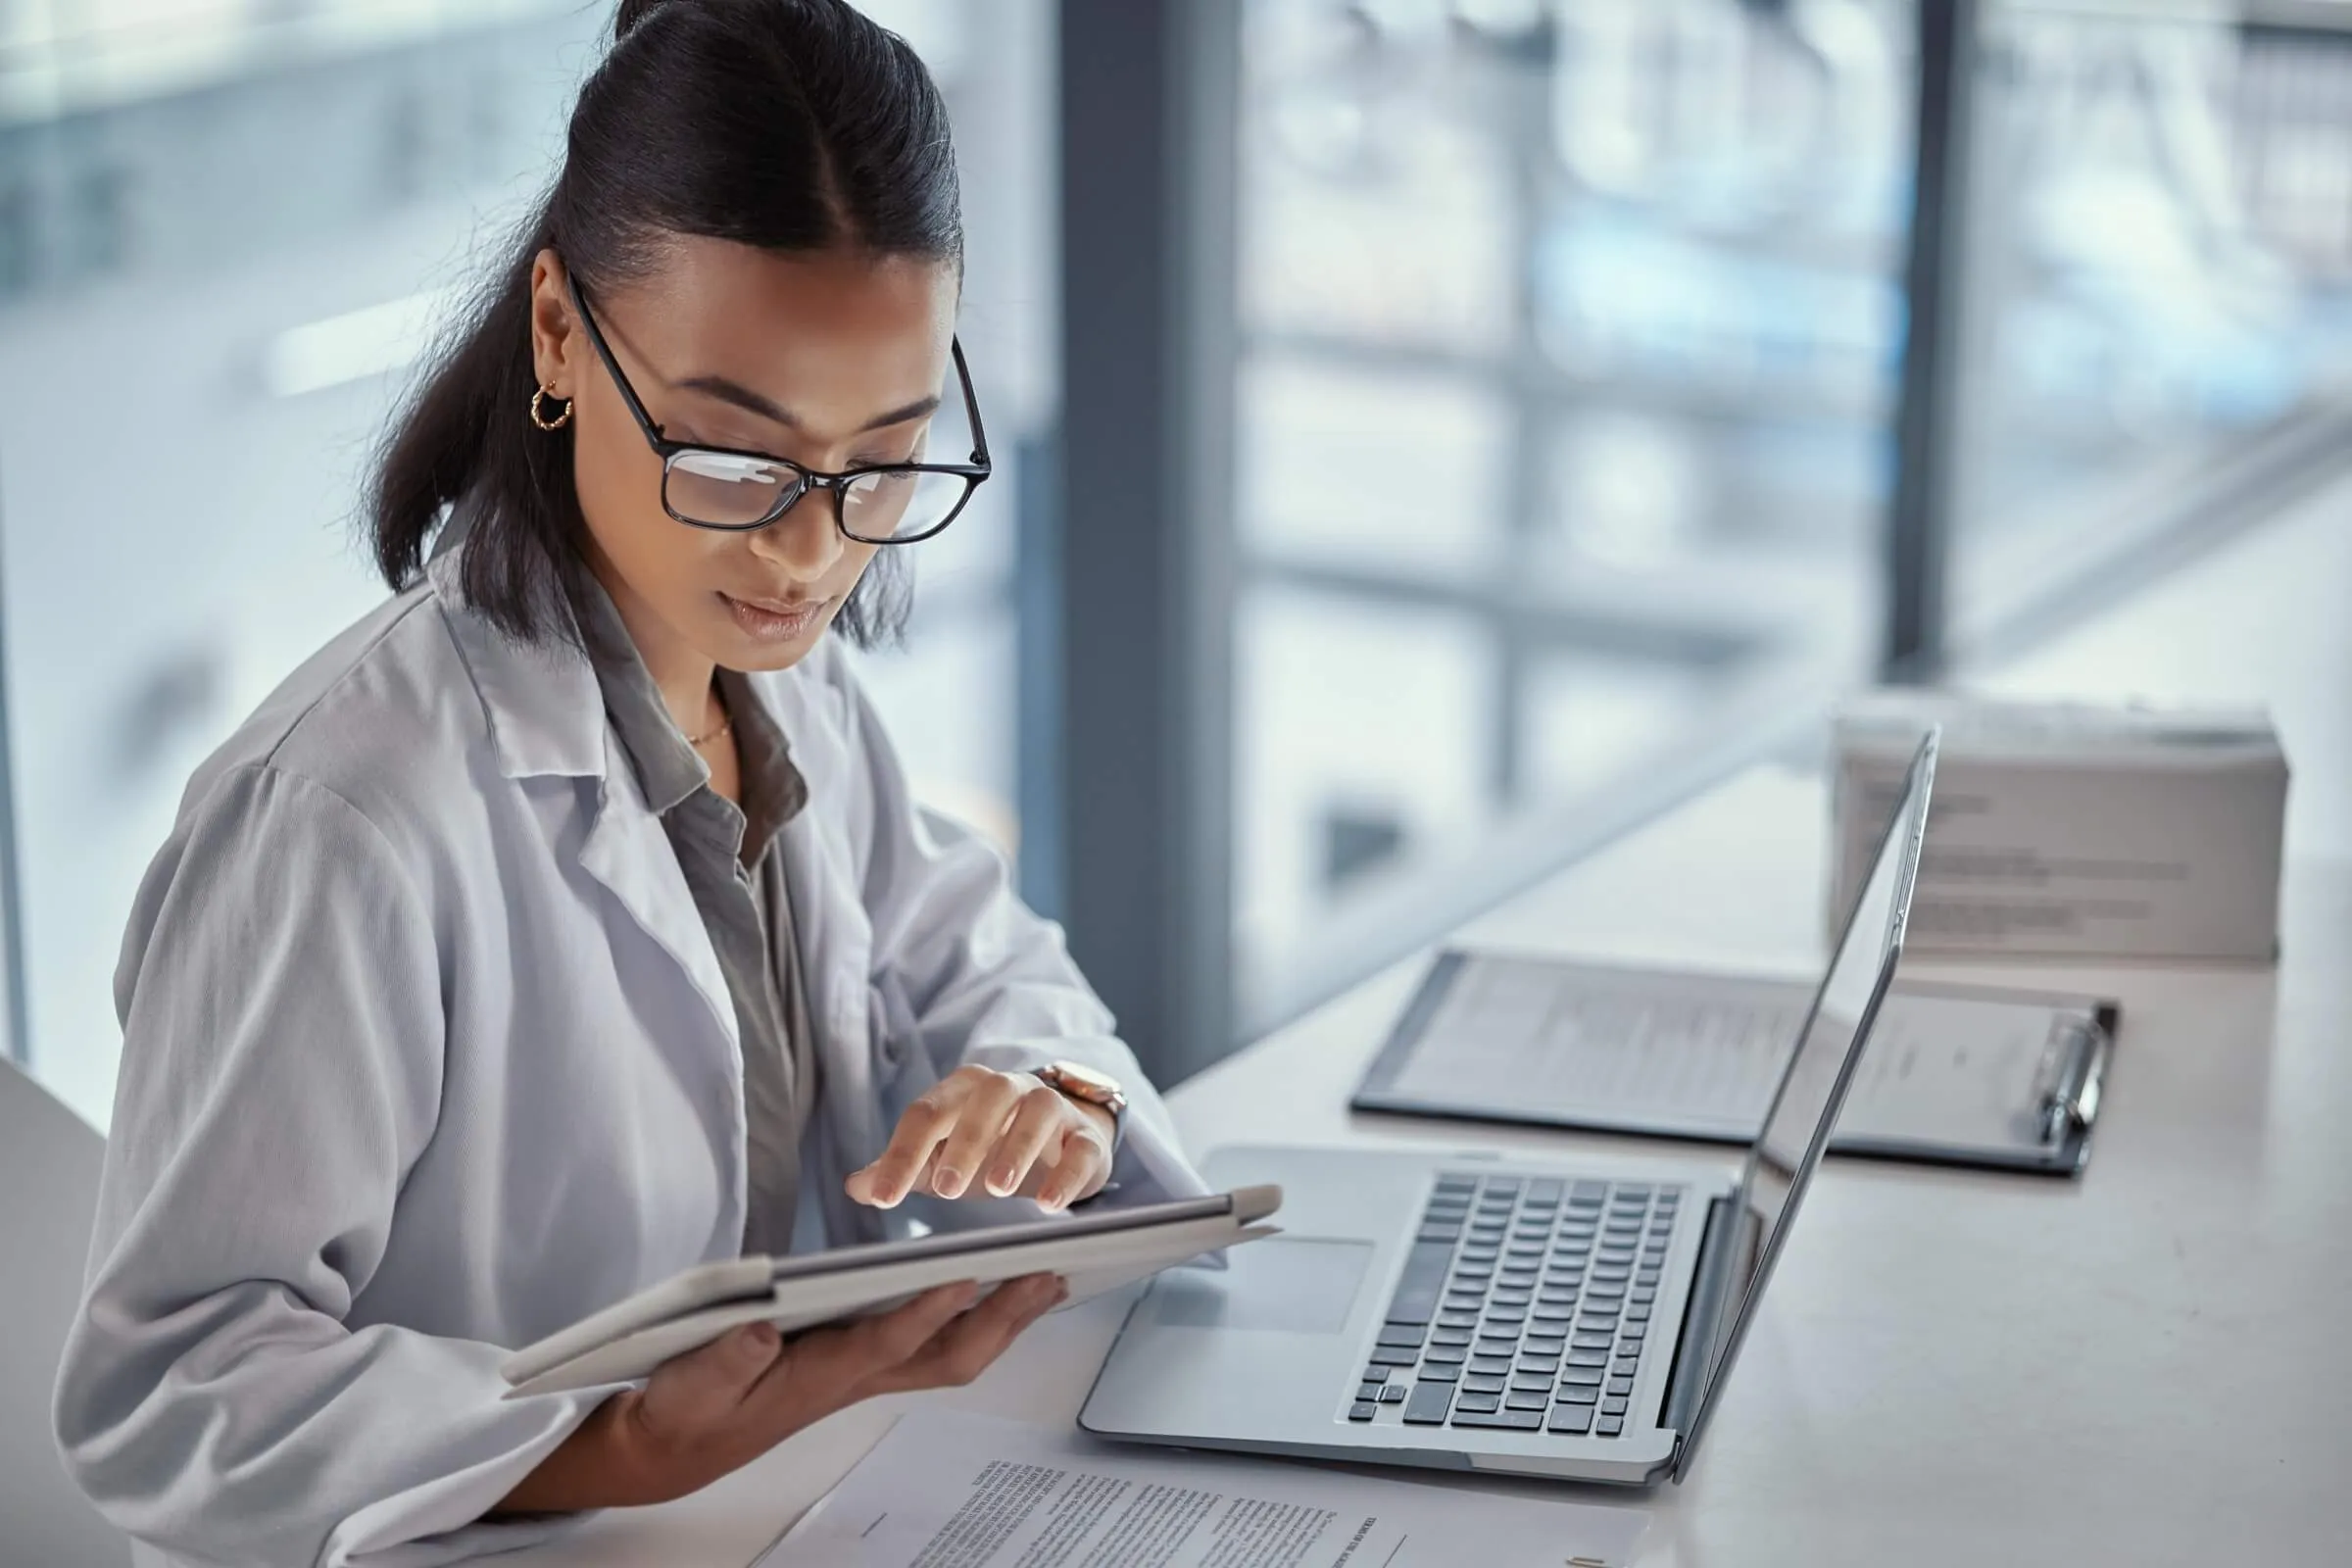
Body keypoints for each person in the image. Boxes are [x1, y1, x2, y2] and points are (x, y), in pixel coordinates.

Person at [50, 2, 1206, 1563]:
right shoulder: (342, 817)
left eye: (883, 460)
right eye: (735, 458)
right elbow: (170, 1390)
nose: (814, 552)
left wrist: (1044, 1096)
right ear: (554, 330)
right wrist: (604, 1441)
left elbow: (976, 960)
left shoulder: (796, 700)